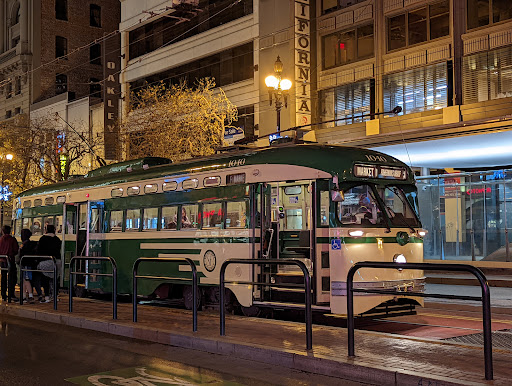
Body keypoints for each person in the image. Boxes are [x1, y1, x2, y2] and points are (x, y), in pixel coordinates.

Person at [37, 224, 62, 302]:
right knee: (55, 279)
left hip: (45, 261)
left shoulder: (43, 239)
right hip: (57, 261)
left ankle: (47, 296)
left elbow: (39, 250)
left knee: (45, 279)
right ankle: (54, 295)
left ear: (46, 230)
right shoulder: (57, 239)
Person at [18, 229, 38, 303]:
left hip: (25, 263)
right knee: (24, 280)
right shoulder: (32, 244)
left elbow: (20, 254)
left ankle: (30, 295)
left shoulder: (24, 245)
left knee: (26, 280)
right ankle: (24, 296)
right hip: (30, 263)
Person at [0, 225, 19, 301]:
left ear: (2, 231)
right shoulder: (12, 239)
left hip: (2, 260)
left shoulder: (0, 239)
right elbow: (16, 250)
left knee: (3, 277)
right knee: (12, 277)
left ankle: (3, 294)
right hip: (10, 260)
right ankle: (11, 293)